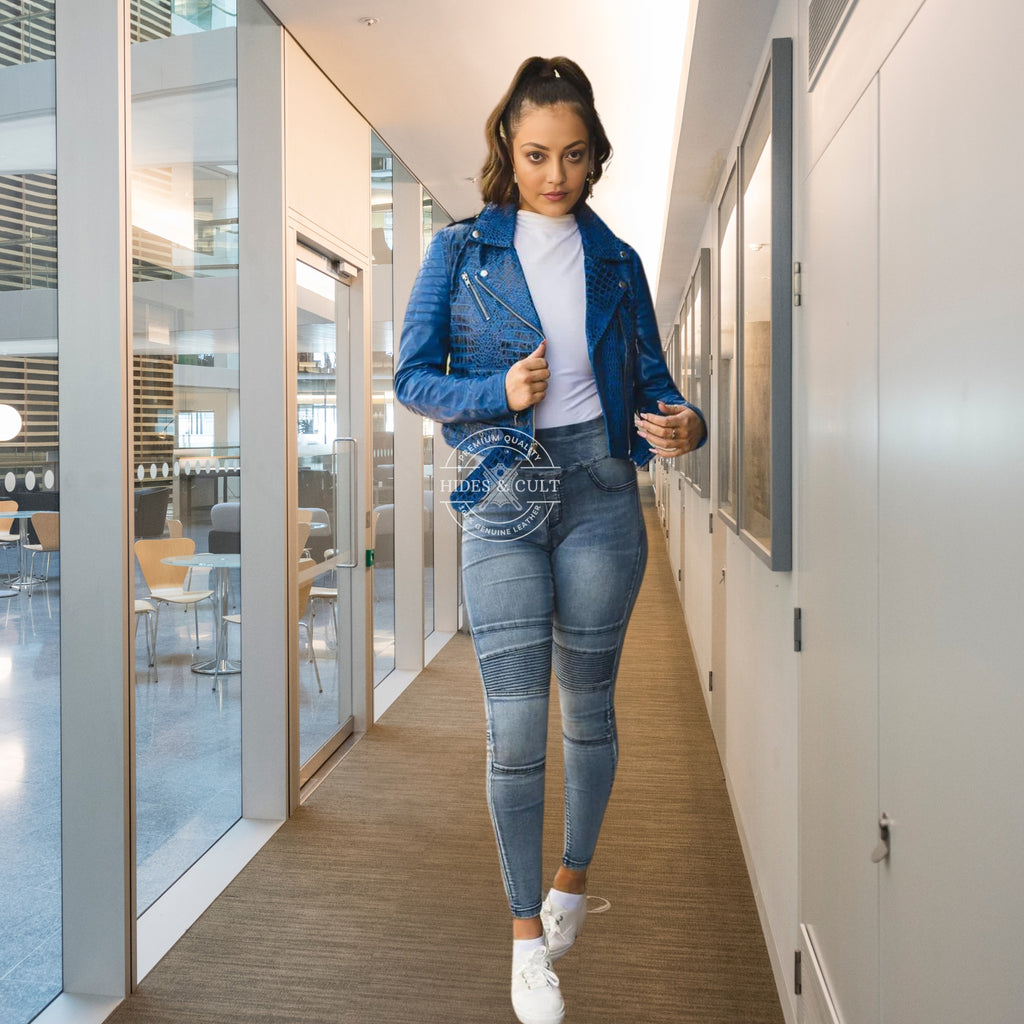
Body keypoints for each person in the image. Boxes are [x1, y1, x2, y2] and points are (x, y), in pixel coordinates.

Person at [395, 56, 706, 1024]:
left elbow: (655, 378)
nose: (554, 175)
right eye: (536, 155)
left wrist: (684, 419)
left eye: (572, 156)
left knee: (590, 709)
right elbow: (411, 378)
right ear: (507, 152)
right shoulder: (459, 251)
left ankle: (572, 880)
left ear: (593, 157)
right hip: (502, 492)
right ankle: (525, 935)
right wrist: (496, 392)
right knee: (516, 722)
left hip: (604, 491)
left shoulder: (616, 261)